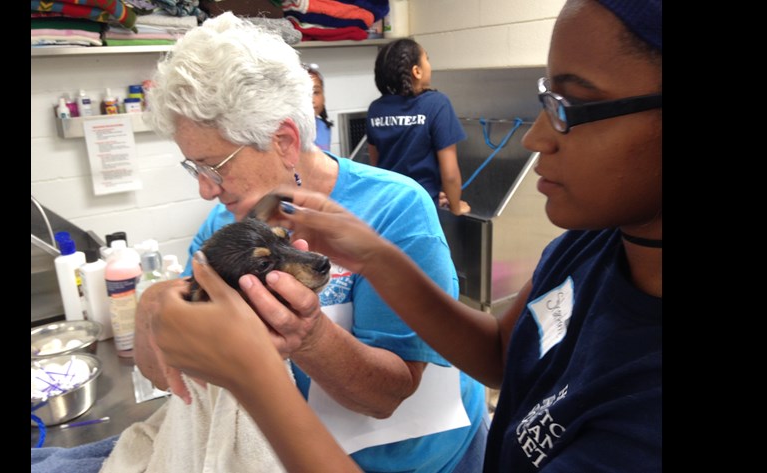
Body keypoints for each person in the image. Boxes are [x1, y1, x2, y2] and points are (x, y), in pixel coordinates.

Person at [149, 0, 663, 471]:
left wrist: (257, 374)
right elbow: (504, 355)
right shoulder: (585, 248)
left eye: (570, 107)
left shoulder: (643, 418)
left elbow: (387, 393)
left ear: (282, 138)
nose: (534, 136)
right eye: (544, 99)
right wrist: (376, 257)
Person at [127, 11, 487, 473]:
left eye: (214, 166)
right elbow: (171, 374)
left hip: (416, 461)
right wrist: (150, 312)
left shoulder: (395, 209)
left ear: (283, 140)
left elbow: (388, 395)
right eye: (194, 168)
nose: (205, 189)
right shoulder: (224, 225)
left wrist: (310, 338)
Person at [366, 38, 471, 216]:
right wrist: (455, 207)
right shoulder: (437, 103)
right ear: (417, 71)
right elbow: (450, 173)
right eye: (427, 59)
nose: (430, 65)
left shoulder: (376, 108)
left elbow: (376, 166)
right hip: (422, 210)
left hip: (387, 208)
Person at [305, 62, 334, 151]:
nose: (312, 100)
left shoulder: (325, 127)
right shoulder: (288, 132)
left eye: (316, 92)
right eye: (305, 93)